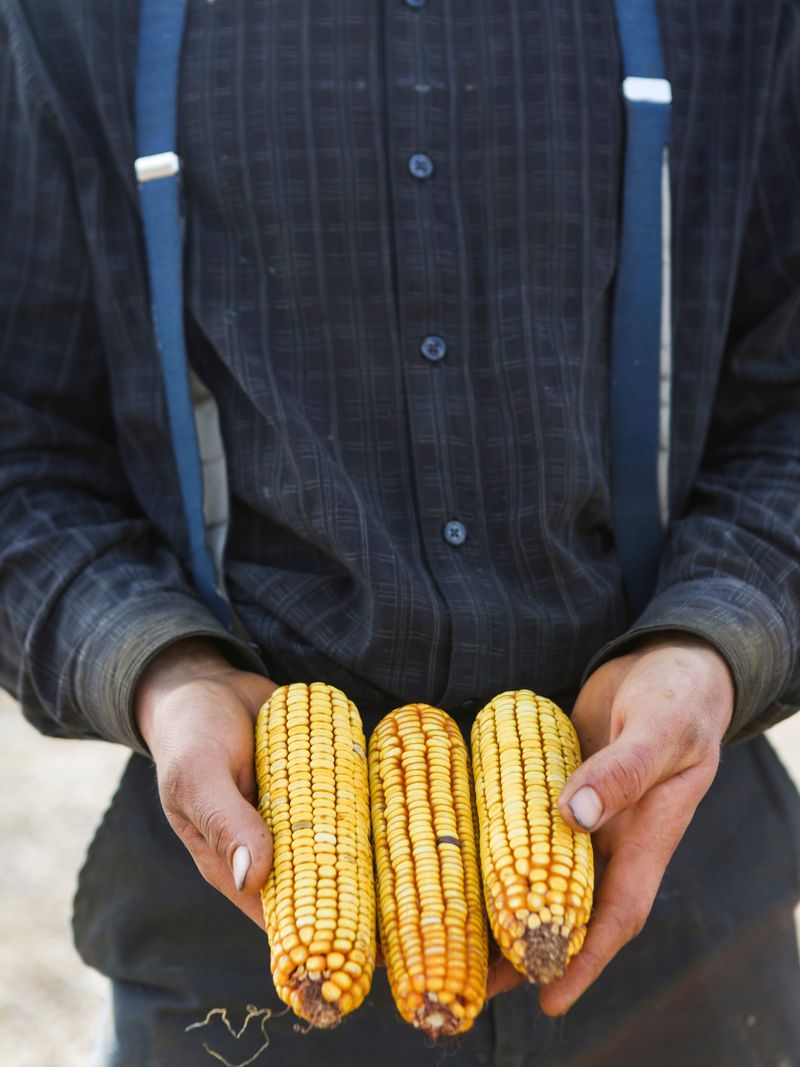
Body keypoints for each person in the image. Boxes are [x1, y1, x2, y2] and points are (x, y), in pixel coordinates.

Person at [1, 1, 799, 1065]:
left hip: (683, 921)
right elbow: (22, 445)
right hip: (244, 942)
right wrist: (162, 669)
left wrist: (714, 638)